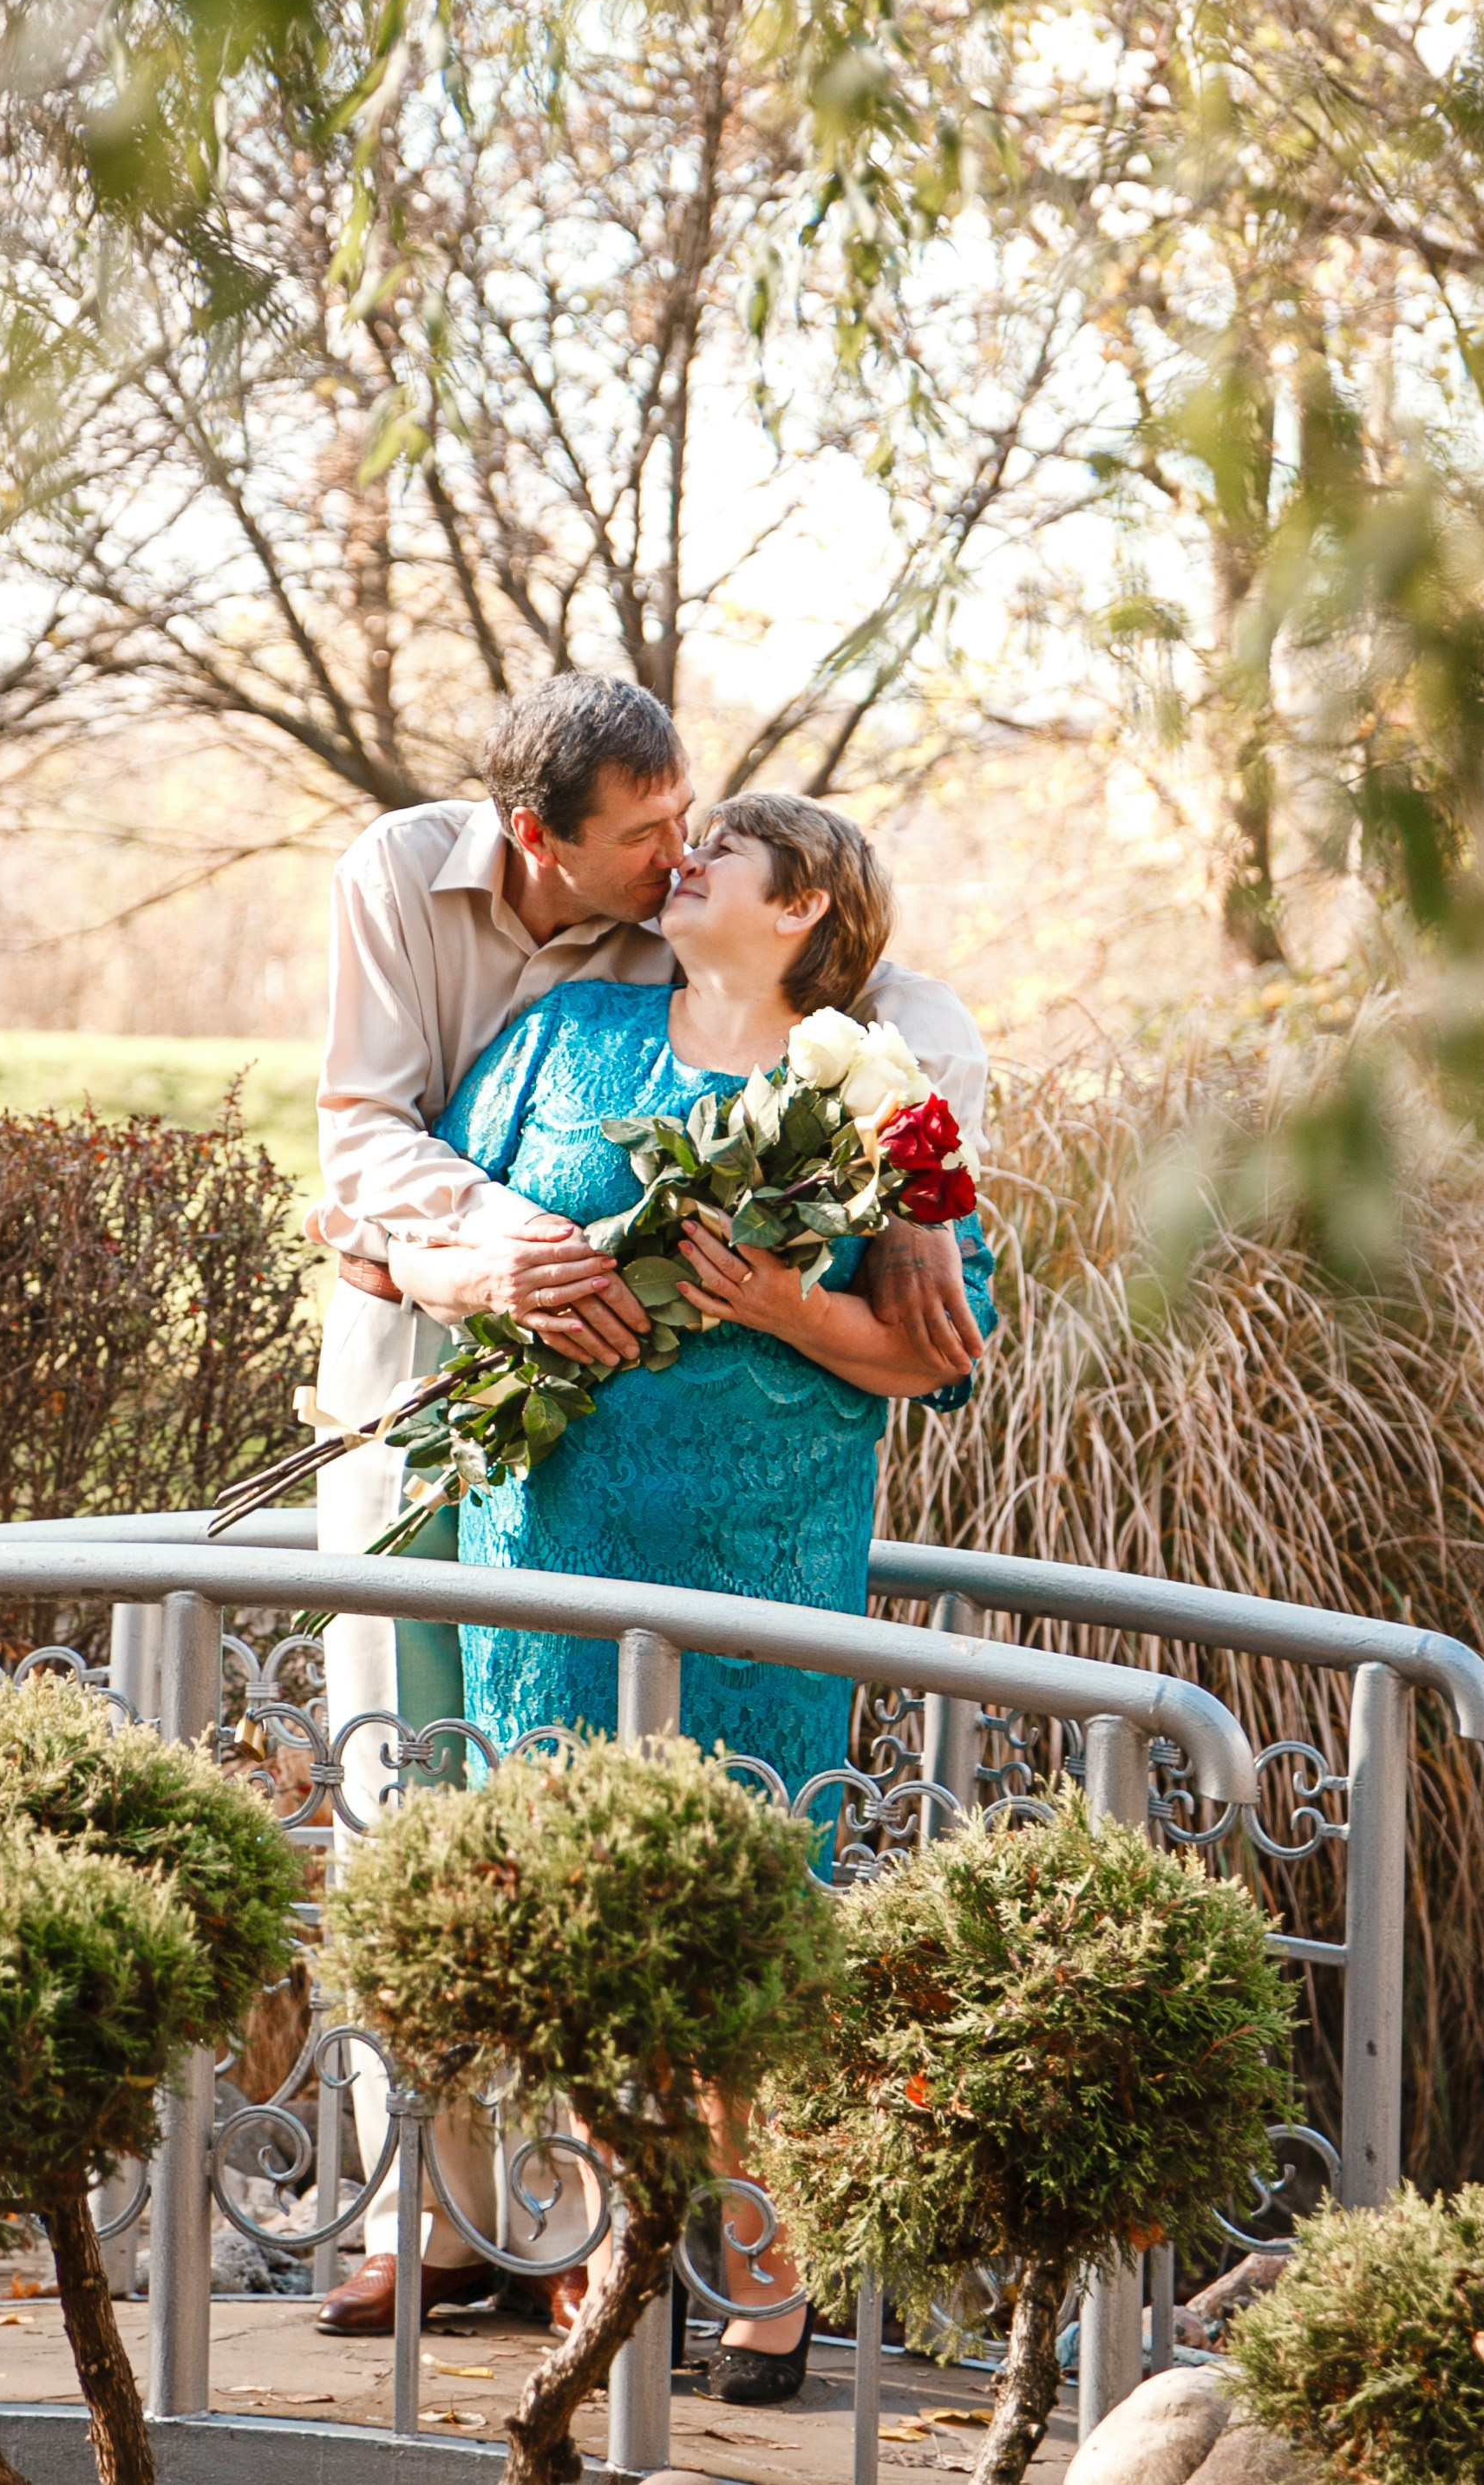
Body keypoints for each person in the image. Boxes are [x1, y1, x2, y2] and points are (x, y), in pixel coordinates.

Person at [305, 674, 990, 2340]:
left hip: (761, 1534)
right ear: (546, 841)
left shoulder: (840, 1062)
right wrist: (482, 1262)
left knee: (750, 1875)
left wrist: (921, 1162)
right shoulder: (455, 926)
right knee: (449, 1819)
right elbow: (361, 1176)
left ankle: (750, 2251)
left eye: (704, 834)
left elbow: (895, 1010)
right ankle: (477, 2222)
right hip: (494, 1469)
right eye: (653, 838)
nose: (679, 853)